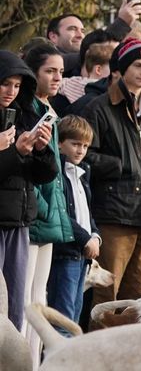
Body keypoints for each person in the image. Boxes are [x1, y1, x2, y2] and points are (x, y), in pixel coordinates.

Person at [81, 38, 141, 305]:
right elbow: (82, 157)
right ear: (122, 67)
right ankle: (100, 348)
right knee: (107, 294)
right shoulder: (100, 107)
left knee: (137, 298)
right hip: (114, 214)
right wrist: (120, 165)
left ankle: (130, 348)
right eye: (138, 65)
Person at [21, 44, 72, 358]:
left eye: (61, 72)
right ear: (34, 72)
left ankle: (34, 359)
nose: (57, 78)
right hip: (31, 213)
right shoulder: (28, 110)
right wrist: (38, 206)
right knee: (23, 296)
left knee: (40, 295)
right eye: (50, 71)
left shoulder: (51, 111)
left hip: (50, 215)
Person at [0, 52, 57, 330]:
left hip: (20, 223)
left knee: (15, 307)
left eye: (18, 85)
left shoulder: (25, 116)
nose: (11, 91)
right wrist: (13, 151)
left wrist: (42, 149)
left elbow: (45, 175)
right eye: (5, 83)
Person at [46, 116, 101, 334]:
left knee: (74, 319)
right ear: (60, 142)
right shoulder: (57, 172)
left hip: (81, 257)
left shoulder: (82, 175)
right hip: (66, 253)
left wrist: (95, 235)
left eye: (85, 146)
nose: (81, 150)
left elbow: (87, 214)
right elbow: (60, 213)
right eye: (75, 144)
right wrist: (85, 238)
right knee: (63, 320)